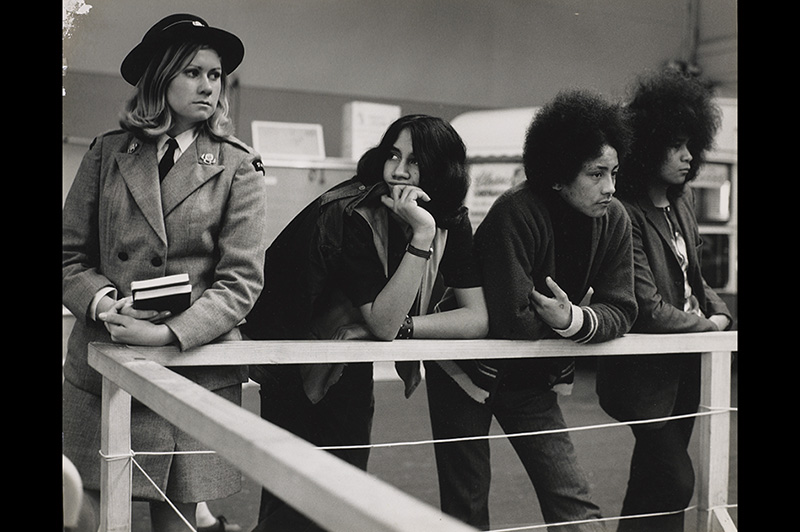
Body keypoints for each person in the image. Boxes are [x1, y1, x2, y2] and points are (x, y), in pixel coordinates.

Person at [62, 13, 267, 532]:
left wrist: (165, 333)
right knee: (83, 514)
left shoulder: (236, 165)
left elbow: (240, 281)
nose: (207, 86)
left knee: (175, 520)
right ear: (160, 77)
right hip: (105, 362)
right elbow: (68, 255)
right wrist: (105, 304)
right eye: (193, 72)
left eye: (215, 75)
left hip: (191, 367)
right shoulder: (108, 152)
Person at [243, 114, 489, 531]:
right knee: (291, 502)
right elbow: (383, 323)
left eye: (414, 160)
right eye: (393, 154)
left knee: (343, 490)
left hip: (346, 355)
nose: (397, 170)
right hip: (292, 353)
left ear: (442, 169)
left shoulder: (448, 219)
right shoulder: (356, 210)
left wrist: (410, 325)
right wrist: (422, 238)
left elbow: (476, 318)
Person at [425, 89, 637, 531]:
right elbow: (512, 321)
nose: (610, 187)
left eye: (614, 172)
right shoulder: (514, 212)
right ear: (558, 175)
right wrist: (573, 321)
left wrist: (572, 318)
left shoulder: (615, 218)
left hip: (532, 375)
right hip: (465, 370)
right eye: (596, 173)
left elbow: (623, 308)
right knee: (466, 503)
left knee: (571, 497)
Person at [595, 69, 732, 532]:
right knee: (675, 480)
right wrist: (710, 328)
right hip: (644, 379)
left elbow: (695, 279)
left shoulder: (682, 201)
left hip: (686, 371)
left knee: (652, 482)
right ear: (648, 145)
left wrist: (721, 310)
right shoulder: (624, 214)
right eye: (677, 146)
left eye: (692, 145)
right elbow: (646, 307)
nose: (689, 157)